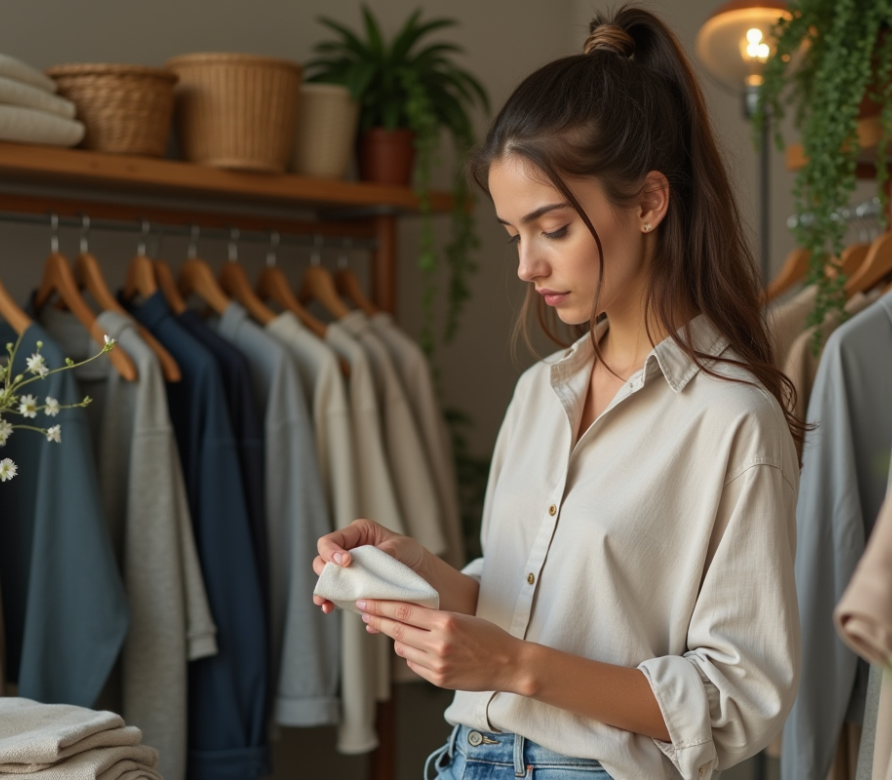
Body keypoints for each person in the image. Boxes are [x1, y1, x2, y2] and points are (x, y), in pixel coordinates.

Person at [312, 6, 805, 779]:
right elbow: (534, 602)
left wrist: (513, 666)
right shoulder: (539, 393)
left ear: (647, 202)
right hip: (466, 759)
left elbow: (740, 695)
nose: (526, 266)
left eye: (552, 229)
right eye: (514, 234)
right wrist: (424, 576)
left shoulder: (732, 419)